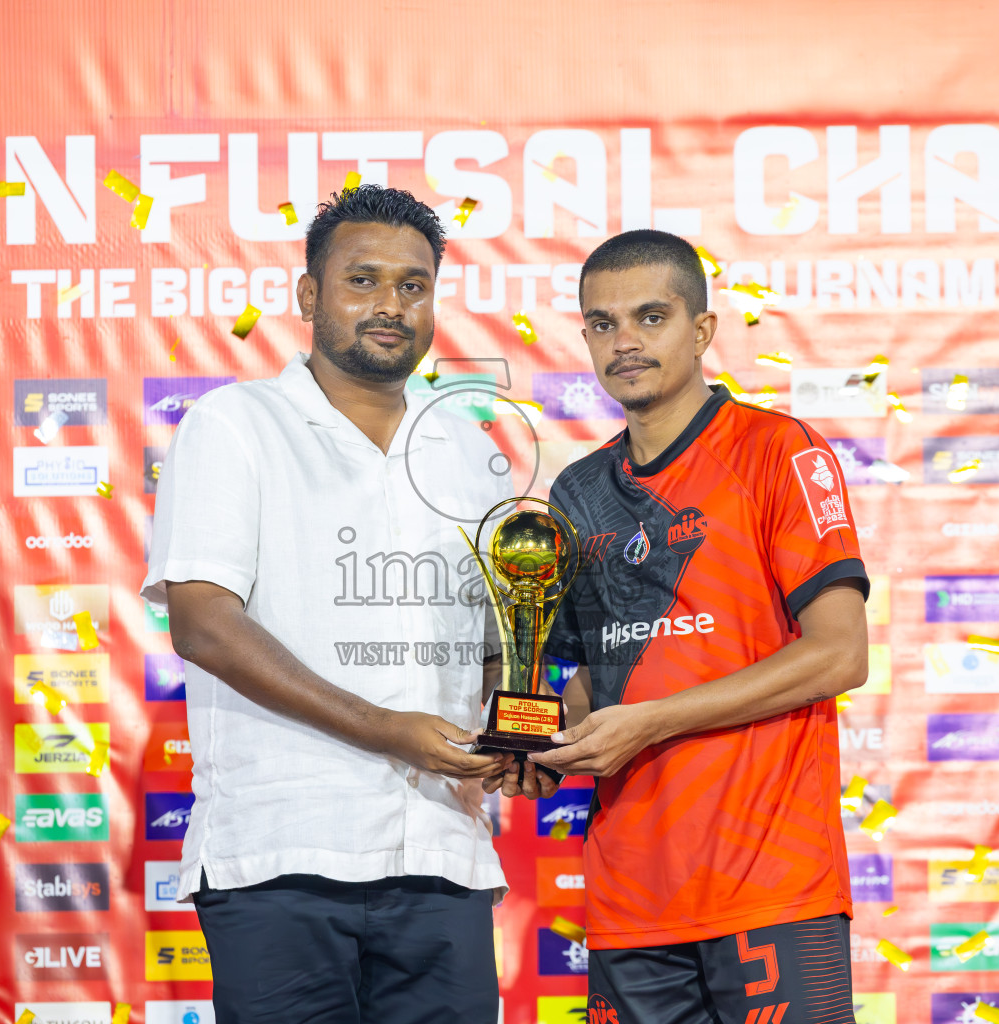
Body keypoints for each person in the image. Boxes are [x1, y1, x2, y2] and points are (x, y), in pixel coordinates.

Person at [141, 185, 519, 1024]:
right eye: (364, 281)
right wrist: (387, 728)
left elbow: (496, 634)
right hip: (284, 853)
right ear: (310, 295)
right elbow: (203, 622)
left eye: (413, 286)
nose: (391, 306)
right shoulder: (235, 424)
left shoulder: (470, 446)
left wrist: (512, 727)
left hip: (441, 852)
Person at [529, 229, 870, 1024]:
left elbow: (840, 653)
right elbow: (592, 685)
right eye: (603, 324)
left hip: (772, 887)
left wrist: (651, 723)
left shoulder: (776, 449)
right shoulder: (577, 492)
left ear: (703, 330)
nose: (627, 343)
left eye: (652, 317)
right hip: (630, 899)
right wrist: (538, 750)